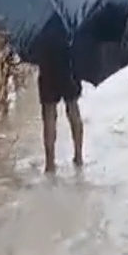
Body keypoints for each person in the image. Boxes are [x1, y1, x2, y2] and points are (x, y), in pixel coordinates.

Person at [36, 43, 84, 173]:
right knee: (73, 107)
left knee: (49, 113)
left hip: (47, 61)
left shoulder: (39, 24)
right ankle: (78, 157)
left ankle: (50, 163)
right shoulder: (71, 22)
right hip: (69, 61)